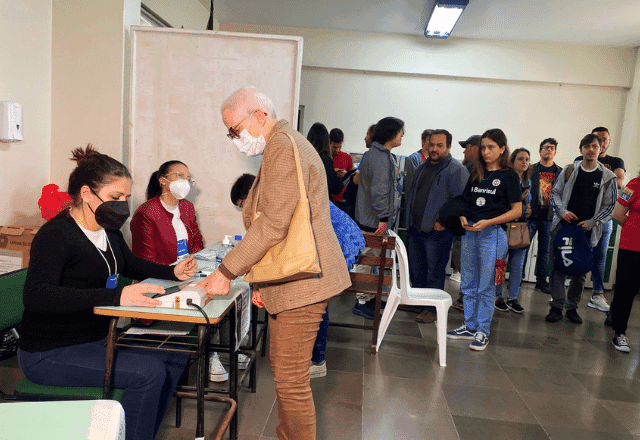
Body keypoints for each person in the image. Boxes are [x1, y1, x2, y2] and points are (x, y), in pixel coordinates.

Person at [198, 87, 350, 440]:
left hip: (304, 283)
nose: (235, 139)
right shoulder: (285, 143)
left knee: (291, 380)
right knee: (286, 374)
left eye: (235, 130)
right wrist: (262, 283)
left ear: (259, 116)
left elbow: (274, 223)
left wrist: (226, 271)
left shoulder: (283, 145)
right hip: (294, 280)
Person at [18, 145, 197, 440]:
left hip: (97, 339)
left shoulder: (107, 229)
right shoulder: (56, 235)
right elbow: (37, 295)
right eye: (116, 197)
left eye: (126, 197)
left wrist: (173, 272)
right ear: (87, 193)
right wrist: (116, 296)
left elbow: (129, 263)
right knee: (149, 373)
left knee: (176, 354)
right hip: (49, 352)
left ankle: (131, 432)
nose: (123, 205)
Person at [446, 129, 522, 351]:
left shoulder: (509, 176)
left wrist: (488, 222)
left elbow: (516, 211)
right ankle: (469, 325)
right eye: (484, 147)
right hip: (471, 232)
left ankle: (482, 331)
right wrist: (462, 215)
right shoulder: (476, 172)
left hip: (493, 234)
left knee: (486, 286)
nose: (486, 152)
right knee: (468, 282)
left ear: (502, 149)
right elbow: (466, 201)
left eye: (491, 147)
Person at [546, 133, 617, 324]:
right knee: (558, 266)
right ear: (581, 150)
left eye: (595, 146)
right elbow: (555, 194)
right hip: (563, 226)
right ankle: (556, 306)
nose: (591, 150)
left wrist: (593, 222)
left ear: (600, 149)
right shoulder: (569, 170)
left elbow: (609, 207)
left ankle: (572, 307)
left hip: (587, 231)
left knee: (581, 270)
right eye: (587, 147)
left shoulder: (607, 177)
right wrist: (562, 211)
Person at [404, 129, 468, 323]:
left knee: (435, 270)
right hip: (416, 228)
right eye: (431, 144)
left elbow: (460, 202)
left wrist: (443, 223)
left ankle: (432, 308)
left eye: (439, 145)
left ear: (448, 147)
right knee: (416, 268)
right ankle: (419, 303)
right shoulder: (423, 167)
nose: (434, 148)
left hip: (438, 231)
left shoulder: (456, 170)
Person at [352, 117, 404, 319]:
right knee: (367, 259)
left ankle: (369, 297)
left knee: (374, 260)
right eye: (400, 131)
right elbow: (379, 192)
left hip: (373, 219)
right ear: (390, 134)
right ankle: (361, 301)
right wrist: (383, 217)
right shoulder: (380, 158)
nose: (402, 135)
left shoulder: (380, 155)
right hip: (373, 221)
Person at [130, 160, 204, 265]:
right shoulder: (146, 213)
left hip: (187, 269)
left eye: (188, 179)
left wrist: (191, 262)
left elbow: (197, 241)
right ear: (162, 180)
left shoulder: (187, 207)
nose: (185, 182)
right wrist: (175, 271)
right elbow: (146, 259)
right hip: (160, 275)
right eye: (179, 175)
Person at [584, 127, 626, 313]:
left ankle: (597, 294)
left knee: (599, 256)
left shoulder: (615, 161)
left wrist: (597, 174)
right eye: (596, 139)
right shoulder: (580, 159)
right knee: (575, 252)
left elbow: (619, 182)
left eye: (604, 139)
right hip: (582, 217)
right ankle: (565, 295)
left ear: (608, 142)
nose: (600, 143)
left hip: (604, 218)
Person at [494, 148, 532, 314]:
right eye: (520, 159)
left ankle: (513, 298)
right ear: (512, 161)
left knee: (517, 265)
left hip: (521, 228)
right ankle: (497, 296)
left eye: (527, 159)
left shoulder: (528, 181)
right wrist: (517, 200)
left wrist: (528, 207)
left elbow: (530, 203)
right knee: (500, 264)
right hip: (504, 226)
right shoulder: (505, 178)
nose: (524, 162)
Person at [609, 171, 640, 352]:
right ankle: (619, 333)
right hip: (631, 248)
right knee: (625, 291)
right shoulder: (634, 184)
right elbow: (619, 213)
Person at [450, 135, 481, 311]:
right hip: (463, 223)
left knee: (467, 263)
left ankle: (466, 299)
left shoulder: (475, 170)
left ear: (476, 148)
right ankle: (465, 297)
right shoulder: (469, 168)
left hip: (470, 225)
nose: (464, 150)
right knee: (464, 262)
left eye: (467, 147)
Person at [528, 138, 562, 294]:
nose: (549, 150)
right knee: (523, 247)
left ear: (555, 152)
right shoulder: (531, 169)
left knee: (545, 251)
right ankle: (518, 277)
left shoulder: (560, 172)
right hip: (531, 215)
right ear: (540, 151)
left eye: (552, 148)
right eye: (546, 147)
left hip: (549, 217)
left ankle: (541, 281)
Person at [307, 122, 343, 197]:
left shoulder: (305, 156)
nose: (338, 150)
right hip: (319, 201)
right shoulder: (324, 160)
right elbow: (335, 187)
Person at [404, 129, 433, 196]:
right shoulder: (414, 159)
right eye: (429, 140)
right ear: (423, 141)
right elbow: (413, 184)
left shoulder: (436, 159)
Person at [330, 127, 353, 211]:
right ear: (329, 144)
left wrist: (346, 175)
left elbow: (352, 178)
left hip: (344, 200)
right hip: (330, 199)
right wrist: (332, 172)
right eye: (335, 147)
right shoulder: (325, 158)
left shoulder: (347, 157)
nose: (338, 150)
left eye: (340, 146)